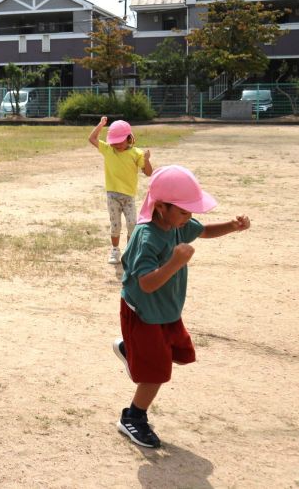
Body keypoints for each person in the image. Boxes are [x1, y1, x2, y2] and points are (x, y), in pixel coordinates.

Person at [113, 165, 250, 448]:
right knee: (157, 373)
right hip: (144, 313)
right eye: (185, 212)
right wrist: (175, 262)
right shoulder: (147, 236)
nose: (190, 218)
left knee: (179, 353)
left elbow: (203, 231)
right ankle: (133, 418)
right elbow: (147, 284)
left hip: (165, 310)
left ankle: (131, 349)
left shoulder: (176, 223)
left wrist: (232, 226)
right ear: (161, 207)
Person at [88, 117, 153, 264]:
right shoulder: (108, 149)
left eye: (120, 141)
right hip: (112, 196)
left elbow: (148, 173)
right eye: (114, 141)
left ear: (129, 138)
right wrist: (100, 125)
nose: (116, 145)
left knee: (132, 224)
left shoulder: (137, 153)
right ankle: (115, 250)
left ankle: (129, 251)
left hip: (129, 197)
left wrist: (147, 160)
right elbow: (92, 138)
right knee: (115, 225)